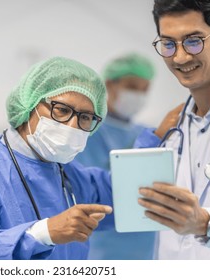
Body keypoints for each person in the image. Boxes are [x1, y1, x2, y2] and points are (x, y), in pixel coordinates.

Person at [0, 56, 115, 260]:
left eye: (85, 117)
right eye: (62, 110)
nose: (72, 126)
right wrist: (42, 233)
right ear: (30, 105)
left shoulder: (68, 173)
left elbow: (131, 192)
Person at [136, 0, 210, 259]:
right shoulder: (174, 129)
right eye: (168, 44)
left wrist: (206, 223)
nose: (180, 57)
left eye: (193, 41)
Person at [75, 53, 158, 260]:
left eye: (144, 89)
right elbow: (92, 190)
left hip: (147, 247)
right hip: (104, 249)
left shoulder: (149, 133)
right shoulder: (88, 133)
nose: (139, 95)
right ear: (110, 85)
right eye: (132, 86)